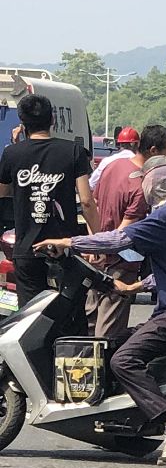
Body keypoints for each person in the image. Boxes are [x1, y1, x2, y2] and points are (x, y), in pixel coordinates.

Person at [35, 156, 166, 465]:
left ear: (154, 183)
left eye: (142, 180)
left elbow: (119, 239)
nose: (140, 187)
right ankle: (129, 427)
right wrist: (135, 287)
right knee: (116, 342)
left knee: (123, 360)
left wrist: (68, 242)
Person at [0, 95, 100, 325]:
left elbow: (3, 192)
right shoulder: (73, 151)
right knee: (71, 314)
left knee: (31, 318)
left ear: (22, 124)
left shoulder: (12, 154)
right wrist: (96, 239)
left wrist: (17, 150)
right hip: (64, 248)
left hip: (28, 249)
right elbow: (86, 200)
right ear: (52, 119)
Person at [85, 125, 166, 337]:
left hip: (96, 257)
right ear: (153, 151)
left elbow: (93, 205)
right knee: (109, 328)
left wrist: (93, 244)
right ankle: (104, 368)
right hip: (119, 262)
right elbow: (124, 234)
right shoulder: (141, 185)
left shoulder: (113, 166)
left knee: (90, 320)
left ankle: (83, 367)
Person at [89, 126, 140, 191]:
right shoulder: (139, 163)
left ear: (118, 143)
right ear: (136, 144)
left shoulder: (107, 161)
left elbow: (91, 184)